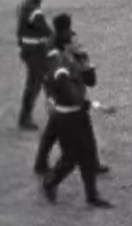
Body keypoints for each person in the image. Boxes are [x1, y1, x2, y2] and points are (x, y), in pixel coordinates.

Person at [41, 27, 113, 208]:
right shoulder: (60, 68)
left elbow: (91, 82)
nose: (79, 44)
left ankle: (92, 196)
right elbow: (70, 95)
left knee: (88, 154)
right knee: (70, 158)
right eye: (75, 42)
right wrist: (96, 106)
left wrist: (87, 64)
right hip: (66, 118)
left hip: (80, 114)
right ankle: (50, 181)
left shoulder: (77, 59)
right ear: (66, 46)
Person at [33, 14, 110, 176]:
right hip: (62, 95)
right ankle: (42, 164)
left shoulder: (70, 39)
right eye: (67, 29)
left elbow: (79, 57)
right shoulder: (52, 50)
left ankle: (92, 163)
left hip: (73, 92)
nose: (70, 33)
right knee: (52, 131)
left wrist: (84, 61)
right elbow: (50, 75)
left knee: (79, 130)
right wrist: (51, 97)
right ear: (61, 30)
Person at [16, 0, 52, 130]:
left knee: (34, 84)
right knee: (35, 85)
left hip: (31, 50)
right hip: (35, 52)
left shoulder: (27, 6)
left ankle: (25, 116)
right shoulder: (32, 9)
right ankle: (25, 118)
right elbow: (45, 30)